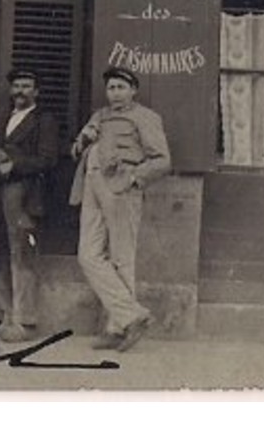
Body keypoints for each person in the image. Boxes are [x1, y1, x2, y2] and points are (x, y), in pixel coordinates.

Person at [70, 65, 171, 353]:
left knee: (121, 258)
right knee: (88, 255)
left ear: (133, 90)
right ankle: (131, 316)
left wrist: (133, 178)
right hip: (91, 184)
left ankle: (117, 328)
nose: (115, 93)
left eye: (121, 87)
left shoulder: (145, 117)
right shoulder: (99, 116)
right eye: (111, 88)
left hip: (121, 188)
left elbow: (162, 160)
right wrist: (82, 142)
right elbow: (77, 148)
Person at [0, 67, 61, 342]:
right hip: (0, 192)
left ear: (36, 92)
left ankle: (25, 322)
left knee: (22, 254)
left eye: (27, 86)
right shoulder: (5, 117)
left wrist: (13, 164)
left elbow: (48, 159)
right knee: (0, 252)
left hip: (26, 195)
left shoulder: (44, 120)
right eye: (17, 86)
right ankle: (8, 315)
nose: (20, 91)